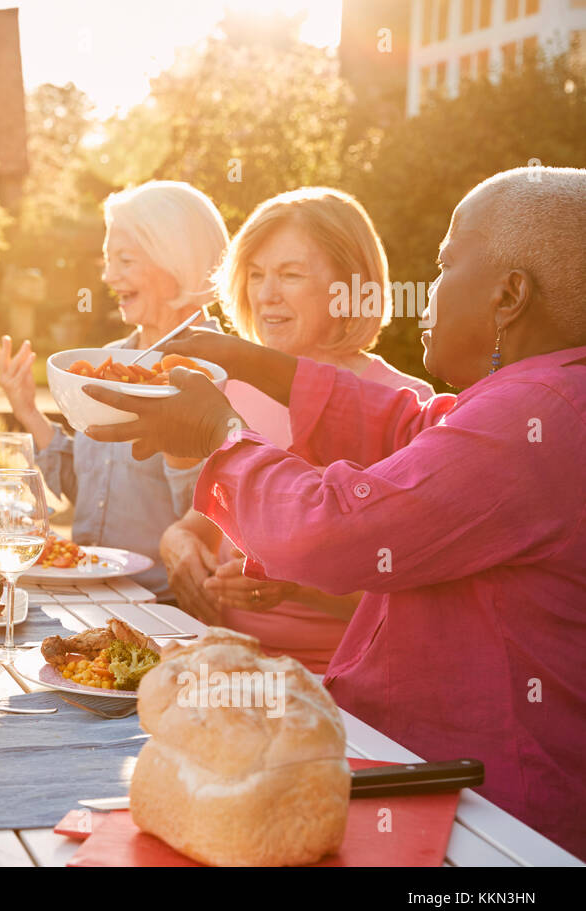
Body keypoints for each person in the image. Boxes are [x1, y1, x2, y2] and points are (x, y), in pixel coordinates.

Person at [83, 166, 586, 858]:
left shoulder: (537, 416)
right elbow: (410, 424)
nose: (429, 289)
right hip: (432, 781)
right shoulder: (542, 395)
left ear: (509, 295)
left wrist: (219, 438)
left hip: (495, 823)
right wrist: (253, 362)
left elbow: (333, 531)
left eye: (444, 265)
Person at [156, 188, 433, 671]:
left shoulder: (404, 408)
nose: (265, 295)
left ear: (351, 286)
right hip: (228, 662)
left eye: (290, 274)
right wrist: (177, 546)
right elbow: (202, 523)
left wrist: (294, 586)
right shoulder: (234, 390)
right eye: (257, 275)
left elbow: (411, 594)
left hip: (343, 678)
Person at [0, 181, 228, 598]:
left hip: (162, 607)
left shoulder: (220, 371)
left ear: (177, 261)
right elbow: (90, 486)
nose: (107, 275)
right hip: (86, 589)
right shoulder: (110, 361)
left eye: (125, 260)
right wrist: (28, 411)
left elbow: (217, 516)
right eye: (107, 260)